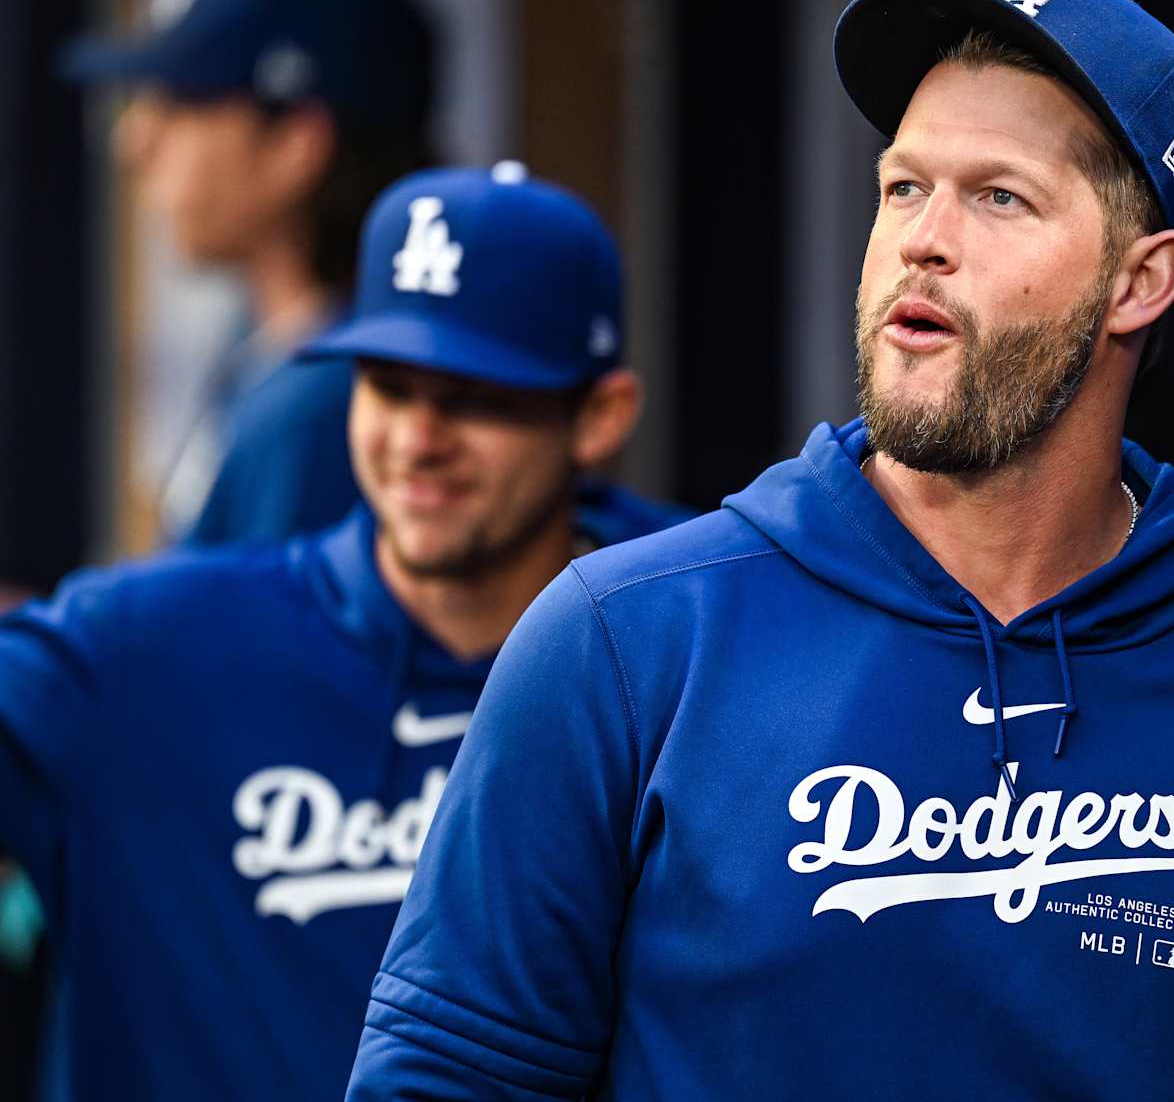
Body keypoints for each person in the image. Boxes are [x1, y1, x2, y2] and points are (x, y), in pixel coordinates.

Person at [347, 0, 1174, 1100]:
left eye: (1000, 197)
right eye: (903, 186)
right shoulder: (625, 644)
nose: (925, 237)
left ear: (1142, 281)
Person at [0, 164, 685, 1100]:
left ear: (599, 416)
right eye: (388, 385)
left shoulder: (699, 634)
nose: (417, 438)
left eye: (476, 394)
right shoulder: (149, 650)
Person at [65, 0, 438, 545]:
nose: (134, 142)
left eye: (182, 103)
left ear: (295, 144)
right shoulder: (270, 342)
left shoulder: (343, 406)